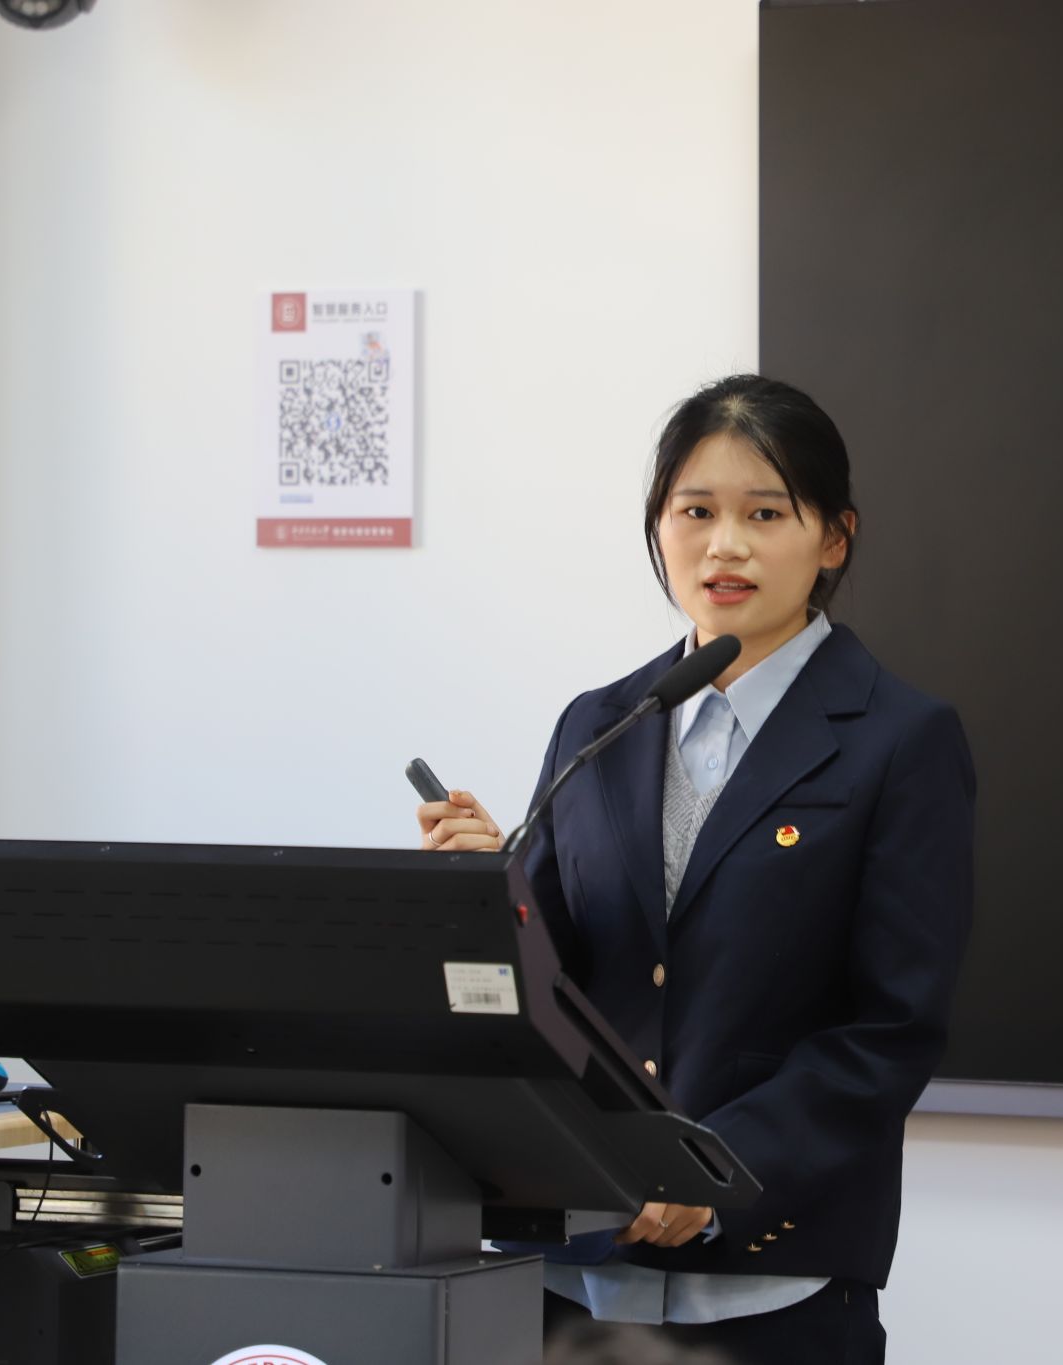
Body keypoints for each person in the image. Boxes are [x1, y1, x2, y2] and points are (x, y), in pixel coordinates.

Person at [415, 374, 975, 1364]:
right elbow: (550, 985)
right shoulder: (599, 724)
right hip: (567, 1281)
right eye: (695, 511)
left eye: (765, 513)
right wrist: (487, 898)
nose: (725, 546)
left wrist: (719, 1171)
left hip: (773, 1287)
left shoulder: (898, 740)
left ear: (834, 538)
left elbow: (891, 1029)